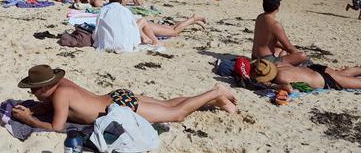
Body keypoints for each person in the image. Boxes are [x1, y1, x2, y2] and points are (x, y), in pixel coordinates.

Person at [13, 65, 238, 131]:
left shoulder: (60, 94)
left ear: (46, 87)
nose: (33, 94)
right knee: (169, 103)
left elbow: (57, 127)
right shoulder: (62, 85)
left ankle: (215, 92)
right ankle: (213, 101)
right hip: (116, 96)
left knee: (176, 114)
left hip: (121, 107)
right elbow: (54, 107)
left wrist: (28, 120)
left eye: (34, 90)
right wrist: (36, 109)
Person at [251, 59, 361, 93]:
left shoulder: (281, 79)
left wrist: (271, 86)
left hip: (323, 80)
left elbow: (288, 89)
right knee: (342, 74)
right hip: (315, 69)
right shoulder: (278, 65)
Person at [251, 0, 307, 66]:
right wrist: (297, 53)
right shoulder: (275, 25)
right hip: (266, 61)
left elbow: (268, 40)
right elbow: (288, 47)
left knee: (282, 50)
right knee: (302, 56)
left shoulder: (260, 17)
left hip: (255, 57)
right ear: (277, 8)